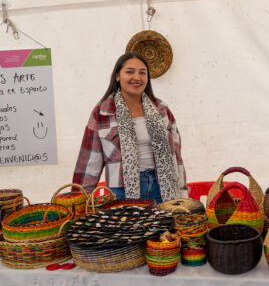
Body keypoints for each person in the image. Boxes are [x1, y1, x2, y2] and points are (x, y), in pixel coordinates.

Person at [73, 52, 186, 203]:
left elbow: (176, 157)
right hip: (121, 191)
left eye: (142, 73)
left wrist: (183, 194)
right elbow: (89, 162)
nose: (137, 77)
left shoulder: (162, 110)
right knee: (127, 227)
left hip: (163, 188)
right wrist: (78, 202)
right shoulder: (102, 113)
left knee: (164, 227)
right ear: (117, 76)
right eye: (130, 72)